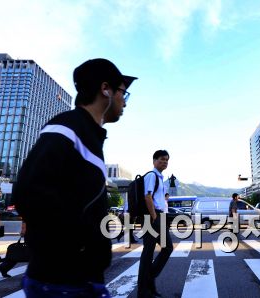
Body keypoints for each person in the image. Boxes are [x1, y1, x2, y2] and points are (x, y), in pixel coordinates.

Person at [13, 58, 137, 297]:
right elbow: (29, 190)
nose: (125, 101)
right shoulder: (67, 128)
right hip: (62, 280)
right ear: (105, 89)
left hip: (81, 278)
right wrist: (80, 245)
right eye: (123, 92)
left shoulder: (90, 134)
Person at [137, 150, 173, 298]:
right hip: (152, 217)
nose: (164, 162)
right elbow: (147, 196)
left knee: (157, 250)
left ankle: (148, 284)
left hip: (157, 216)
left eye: (166, 160)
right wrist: (154, 217)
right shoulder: (152, 176)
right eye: (161, 159)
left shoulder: (159, 177)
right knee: (154, 251)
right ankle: (144, 288)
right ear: (154, 161)